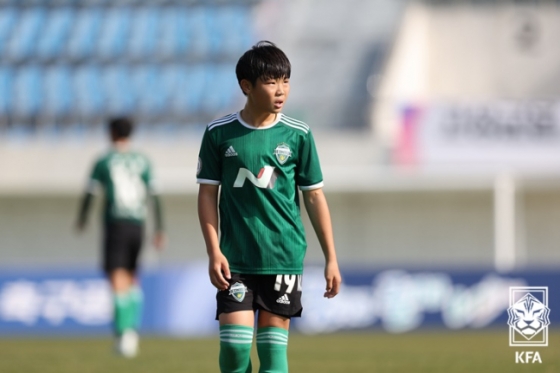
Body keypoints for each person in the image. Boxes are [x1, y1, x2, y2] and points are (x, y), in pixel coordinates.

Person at [197, 41, 341, 373]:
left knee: (273, 357)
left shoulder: (298, 134)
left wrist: (331, 257)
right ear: (247, 86)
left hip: (283, 257)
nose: (281, 90)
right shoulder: (220, 134)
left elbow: (315, 197)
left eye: (286, 81)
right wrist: (213, 250)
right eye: (271, 82)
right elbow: (207, 195)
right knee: (234, 351)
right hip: (236, 261)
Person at [76, 117, 165, 358]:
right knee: (132, 278)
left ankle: (123, 334)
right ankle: (132, 333)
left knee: (117, 278)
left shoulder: (104, 160)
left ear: (112, 133)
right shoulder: (143, 160)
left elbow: (90, 193)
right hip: (138, 225)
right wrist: (160, 229)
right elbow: (155, 196)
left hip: (116, 224)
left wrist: (82, 219)